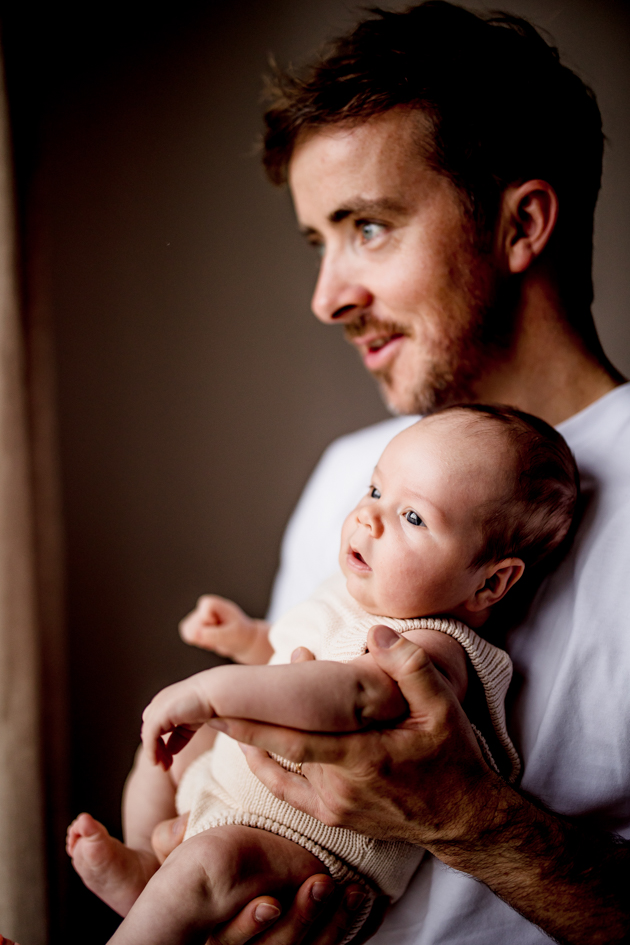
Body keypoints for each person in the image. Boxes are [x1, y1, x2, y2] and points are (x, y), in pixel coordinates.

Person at [149, 4, 630, 944]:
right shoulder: (345, 484)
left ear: (521, 224)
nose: (327, 297)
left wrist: (473, 819)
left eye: (366, 226)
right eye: (318, 242)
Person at [66, 406, 578, 945]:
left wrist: (209, 690)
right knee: (163, 757)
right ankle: (149, 865)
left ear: (490, 585)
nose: (368, 518)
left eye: (413, 518)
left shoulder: (438, 647)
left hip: (305, 847)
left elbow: (351, 693)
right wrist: (247, 639)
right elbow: (299, 651)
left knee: (209, 861)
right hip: (234, 791)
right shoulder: (348, 591)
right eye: (376, 491)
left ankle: (150, 915)